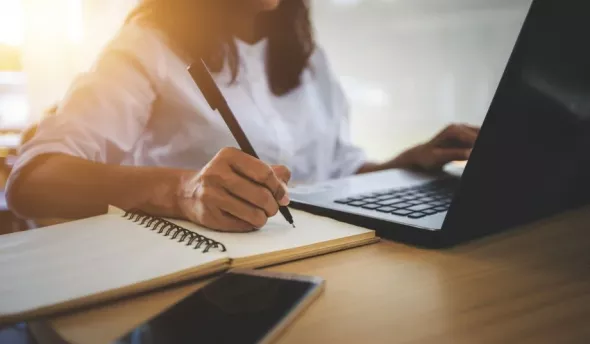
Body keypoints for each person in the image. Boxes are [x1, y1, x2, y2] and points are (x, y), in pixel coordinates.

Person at [5, 0, 479, 232]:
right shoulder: (146, 46)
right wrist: (183, 191)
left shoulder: (303, 54)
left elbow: (334, 173)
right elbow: (31, 181)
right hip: (204, 287)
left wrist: (407, 163)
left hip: (325, 262)